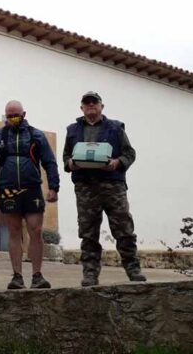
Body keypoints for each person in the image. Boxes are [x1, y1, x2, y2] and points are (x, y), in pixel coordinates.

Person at [63, 91, 146, 287]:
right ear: (81, 107)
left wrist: (117, 163)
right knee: (88, 233)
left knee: (124, 229)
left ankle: (133, 269)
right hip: (85, 187)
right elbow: (66, 156)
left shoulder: (116, 128)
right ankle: (90, 274)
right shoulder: (73, 130)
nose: (91, 105)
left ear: (102, 106)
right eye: (87, 103)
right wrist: (70, 164)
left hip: (113, 186)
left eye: (95, 102)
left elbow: (130, 153)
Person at [0, 101, 59, 290]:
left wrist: (54, 187)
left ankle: (37, 276)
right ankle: (17, 276)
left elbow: (49, 161)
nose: (12, 117)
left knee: (35, 230)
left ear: (24, 114)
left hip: (31, 188)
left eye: (15, 114)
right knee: (14, 230)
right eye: (9, 114)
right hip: (8, 189)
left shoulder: (36, 134)